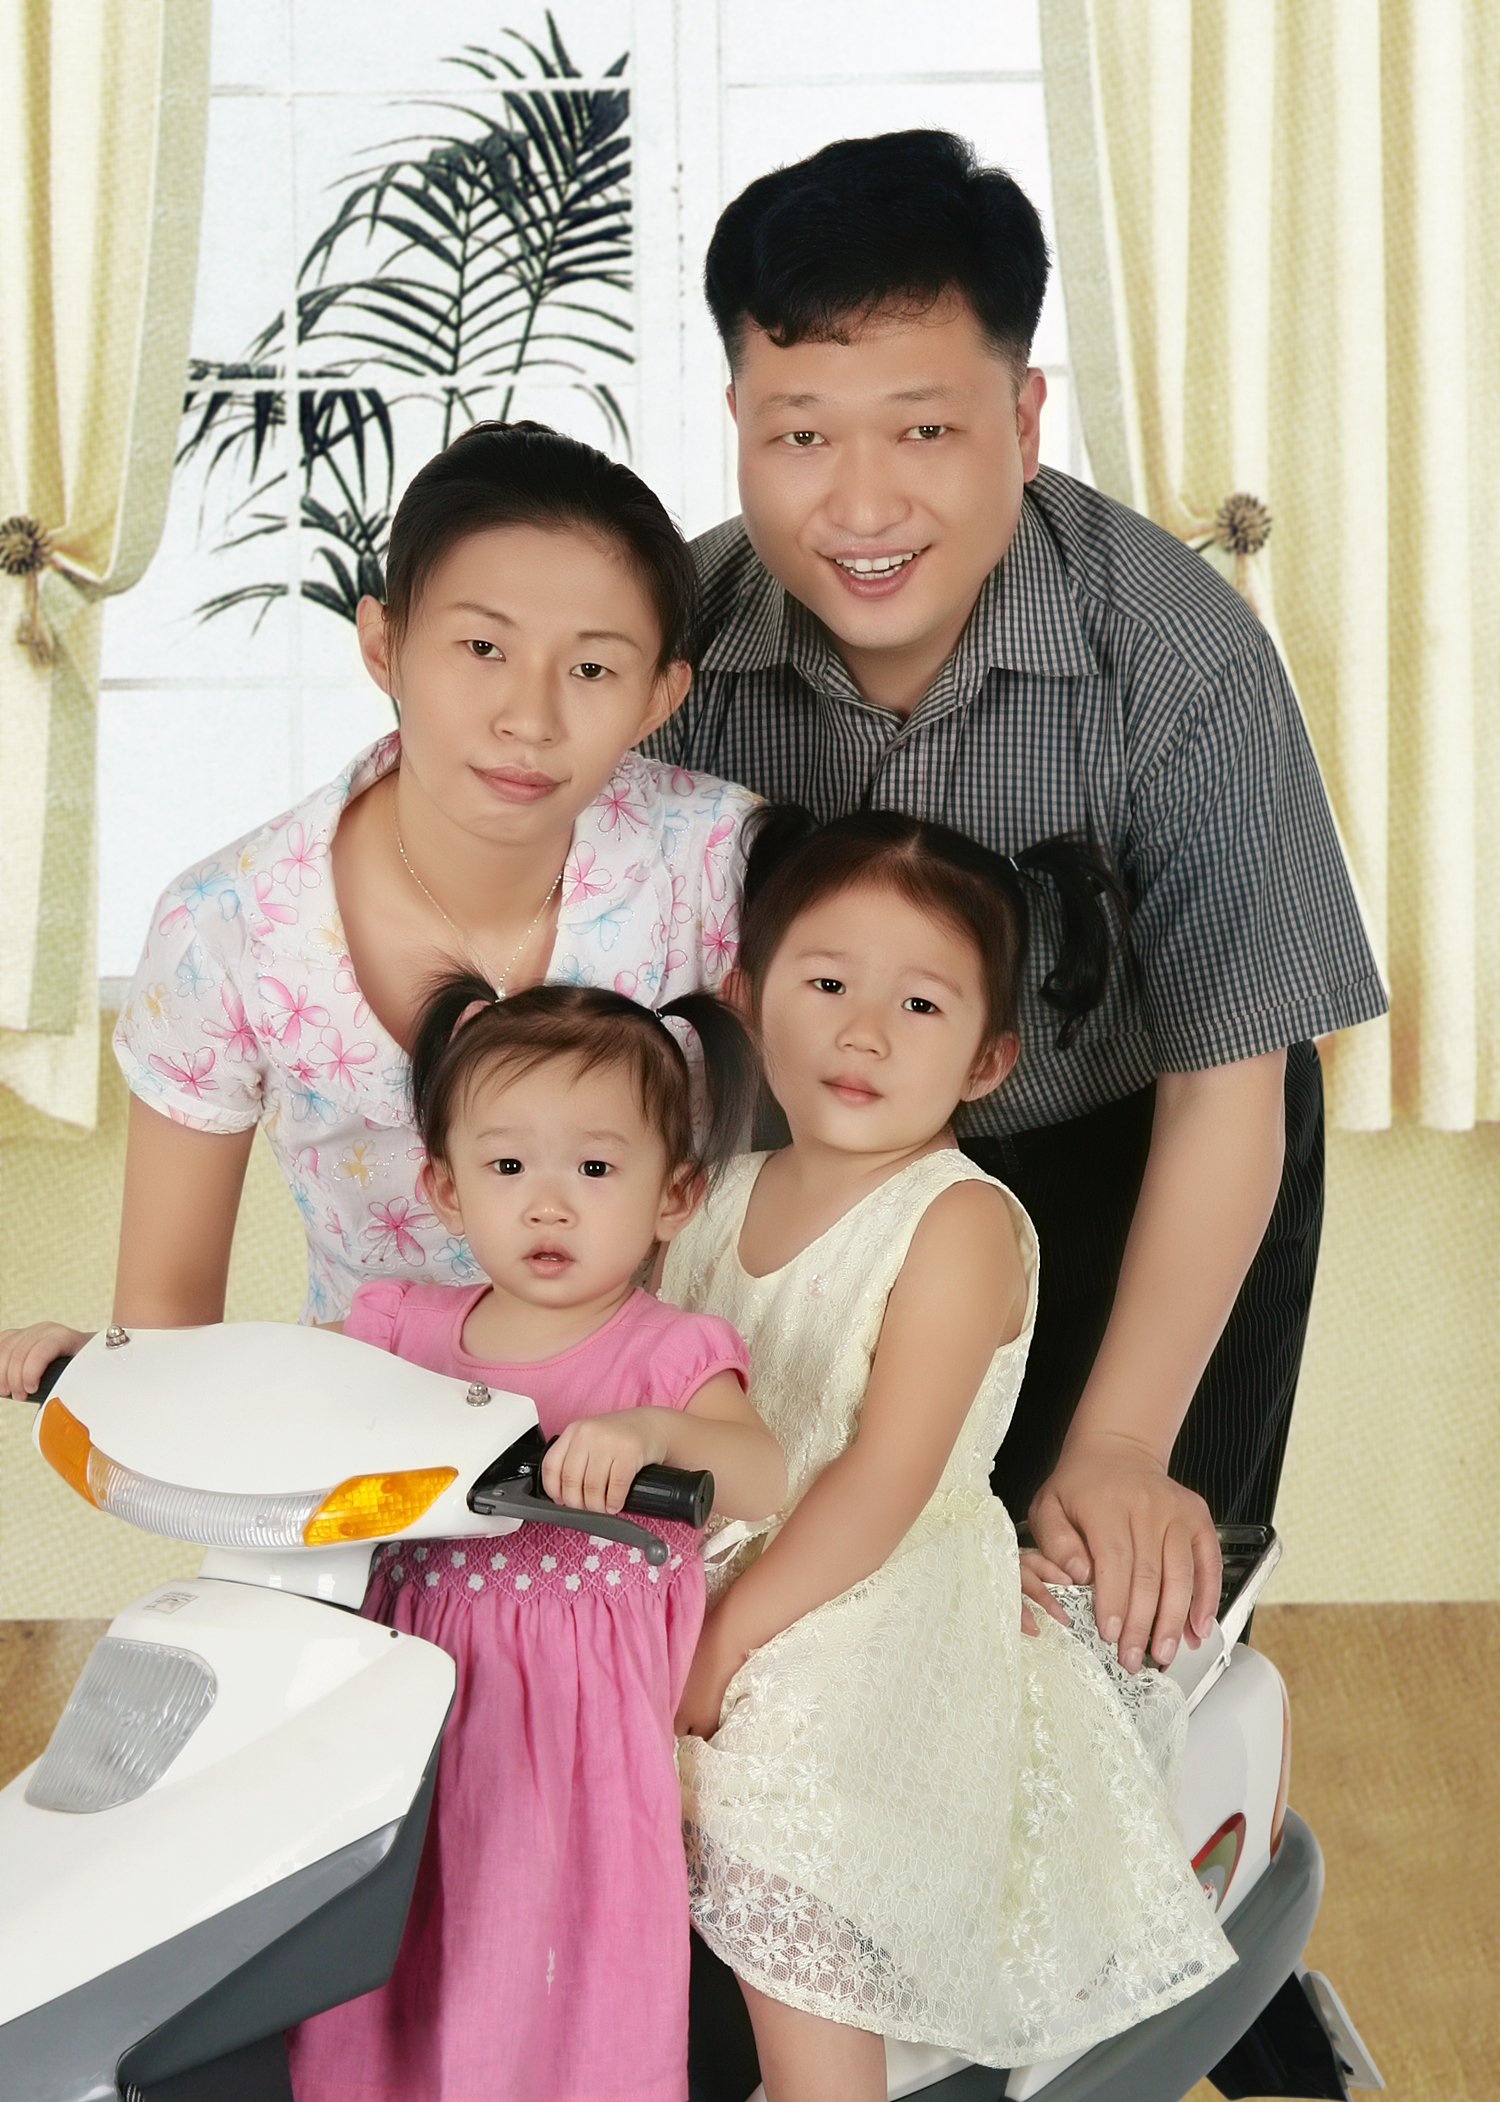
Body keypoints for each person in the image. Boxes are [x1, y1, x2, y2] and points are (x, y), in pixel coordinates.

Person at [647, 129, 1387, 1683]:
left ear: (1026, 417)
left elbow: (1230, 1082)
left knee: (1116, 1621)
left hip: (1132, 1150)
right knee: (818, 1632)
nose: (861, 503)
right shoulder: (673, 654)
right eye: (801, 435)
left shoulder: (1180, 660)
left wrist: (1119, 1440)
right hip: (812, 1183)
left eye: (923, 428)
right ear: (736, 426)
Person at [667, 805, 1233, 2102]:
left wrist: (725, 1633)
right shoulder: (714, 1195)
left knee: (778, 1789)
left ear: (987, 1059)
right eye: (827, 984)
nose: (864, 1032)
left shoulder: (958, 1222)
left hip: (874, 1578)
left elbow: (885, 1475)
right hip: (728, 1546)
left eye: (919, 1005)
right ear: (747, 1000)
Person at [0, 420, 756, 1385]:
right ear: (383, 645)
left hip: (662, 1441)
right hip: (361, 1443)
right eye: (482, 646)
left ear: (658, 696)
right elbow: (164, 1329)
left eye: (591, 669)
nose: (529, 719)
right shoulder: (226, 926)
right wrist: (116, 1379)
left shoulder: (719, 864)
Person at [288, 976, 786, 2102]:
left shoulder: (669, 1353)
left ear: (674, 1195)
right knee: (387, 1957)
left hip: (572, 1743)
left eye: (595, 1170)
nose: (549, 1205)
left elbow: (764, 1473)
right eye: (509, 1167)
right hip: (405, 1715)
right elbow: (270, 1381)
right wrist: (106, 1356)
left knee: (543, 1966)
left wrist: (654, 1432)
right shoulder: (400, 1330)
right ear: (445, 1187)